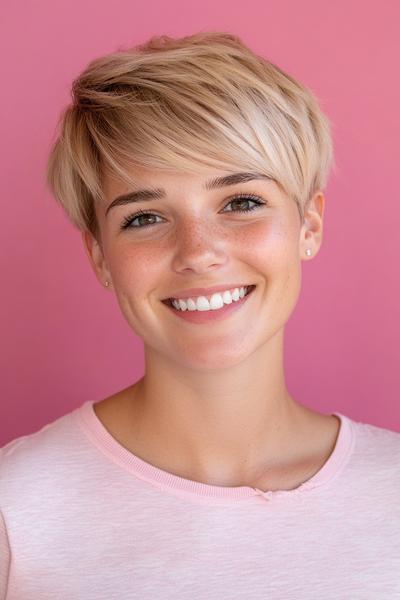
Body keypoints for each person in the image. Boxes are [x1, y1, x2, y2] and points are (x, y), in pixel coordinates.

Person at [1, 31, 399, 599]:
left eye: (241, 203)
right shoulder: (15, 508)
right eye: (143, 217)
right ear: (100, 256)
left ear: (308, 224)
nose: (198, 252)